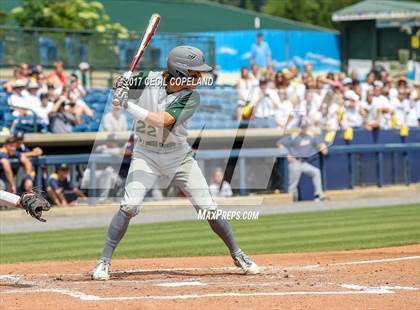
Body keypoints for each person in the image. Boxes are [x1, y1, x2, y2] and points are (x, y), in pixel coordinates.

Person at [91, 45, 259, 281]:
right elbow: (118, 81)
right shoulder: (149, 79)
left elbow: (163, 120)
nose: (199, 77)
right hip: (145, 154)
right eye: (194, 72)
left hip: (178, 156)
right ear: (179, 71)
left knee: (207, 208)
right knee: (129, 206)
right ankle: (103, 262)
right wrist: (122, 82)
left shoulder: (191, 96)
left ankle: (238, 253)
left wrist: (127, 104)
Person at [277, 121, 328, 202]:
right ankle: (291, 200)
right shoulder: (294, 136)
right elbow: (279, 143)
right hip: (295, 162)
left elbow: (320, 144)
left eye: (305, 127)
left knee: (316, 172)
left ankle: (319, 195)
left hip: (303, 163)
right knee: (293, 184)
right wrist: (287, 154)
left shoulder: (310, 137)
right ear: (299, 128)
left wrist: (323, 145)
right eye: (302, 127)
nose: (304, 129)